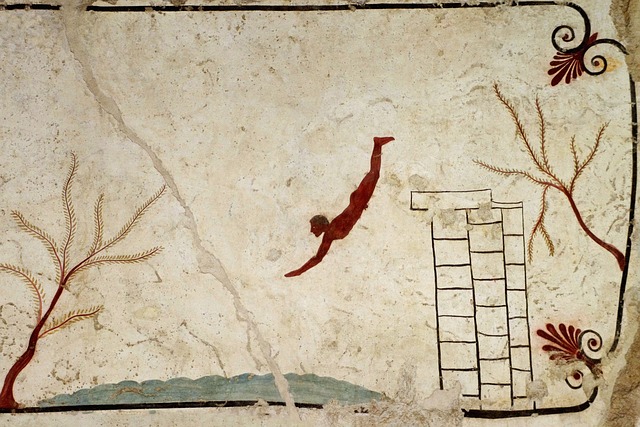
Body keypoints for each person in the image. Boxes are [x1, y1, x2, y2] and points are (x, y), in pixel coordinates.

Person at [285, 136, 394, 277]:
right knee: (374, 174)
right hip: (359, 202)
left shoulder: (332, 231)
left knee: (374, 174)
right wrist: (299, 271)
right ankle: (377, 145)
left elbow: (351, 215)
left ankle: (377, 144)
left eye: (313, 227)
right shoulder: (329, 236)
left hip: (359, 200)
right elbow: (318, 258)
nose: (311, 231)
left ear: (321, 225)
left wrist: (299, 271)